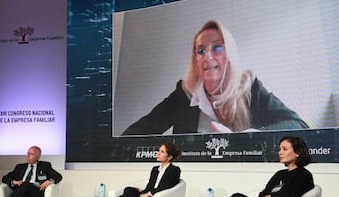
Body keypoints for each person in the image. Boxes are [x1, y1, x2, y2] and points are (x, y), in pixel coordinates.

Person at [122, 20, 308, 135]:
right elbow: (140, 130)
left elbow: (299, 125)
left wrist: (248, 137)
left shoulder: (250, 87)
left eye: (217, 47)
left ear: (230, 54)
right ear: (195, 58)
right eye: (201, 50)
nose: (208, 56)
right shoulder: (184, 93)